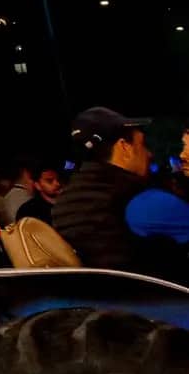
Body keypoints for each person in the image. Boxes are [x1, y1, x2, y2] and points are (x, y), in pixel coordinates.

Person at [53, 107, 152, 270]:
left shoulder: (63, 201)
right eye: (143, 145)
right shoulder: (135, 195)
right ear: (125, 147)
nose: (149, 154)